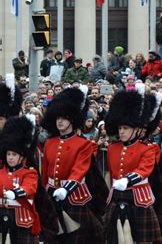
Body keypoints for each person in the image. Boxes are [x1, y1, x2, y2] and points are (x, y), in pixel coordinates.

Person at [41, 87, 106, 243]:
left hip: (74, 196)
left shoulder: (83, 144)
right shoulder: (50, 143)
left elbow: (80, 169)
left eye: (64, 118)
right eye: (57, 118)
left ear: (72, 119)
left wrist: (66, 188)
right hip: (52, 195)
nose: (60, 121)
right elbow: (45, 172)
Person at [103, 90, 162, 243]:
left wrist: (128, 180)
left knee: (142, 240)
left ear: (135, 129)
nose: (121, 132)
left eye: (126, 128)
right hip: (117, 196)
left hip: (139, 197)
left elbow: (144, 169)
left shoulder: (146, 148)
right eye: (120, 128)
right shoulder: (112, 148)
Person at [0, 116, 43, 243]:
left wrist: (15, 192)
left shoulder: (29, 172)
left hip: (21, 219)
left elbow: (29, 188)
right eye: (8, 154)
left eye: (14, 155)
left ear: (21, 157)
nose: (10, 158)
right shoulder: (1, 172)